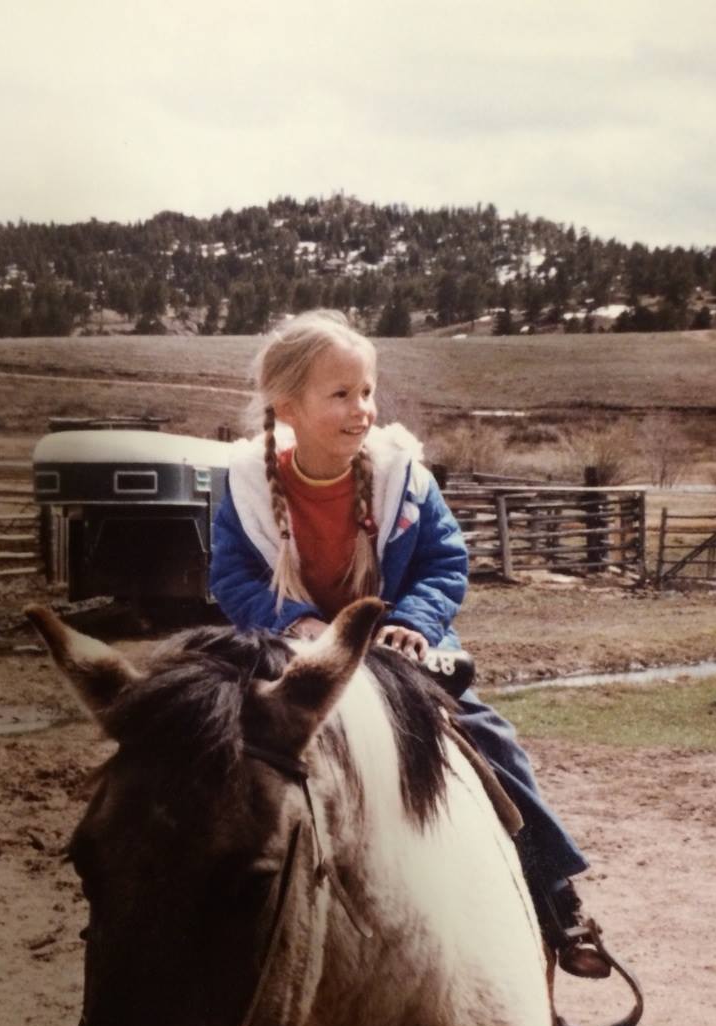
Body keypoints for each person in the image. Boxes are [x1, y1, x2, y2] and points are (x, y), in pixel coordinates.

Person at [210, 309, 610, 979]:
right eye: (340, 395)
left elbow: (444, 562)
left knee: (491, 740)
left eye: (366, 391)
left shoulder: (404, 478)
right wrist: (300, 620)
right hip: (293, 652)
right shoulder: (247, 486)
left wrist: (416, 623)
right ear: (288, 406)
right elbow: (230, 576)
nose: (361, 409)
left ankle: (557, 900)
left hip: (399, 651)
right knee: (210, 745)